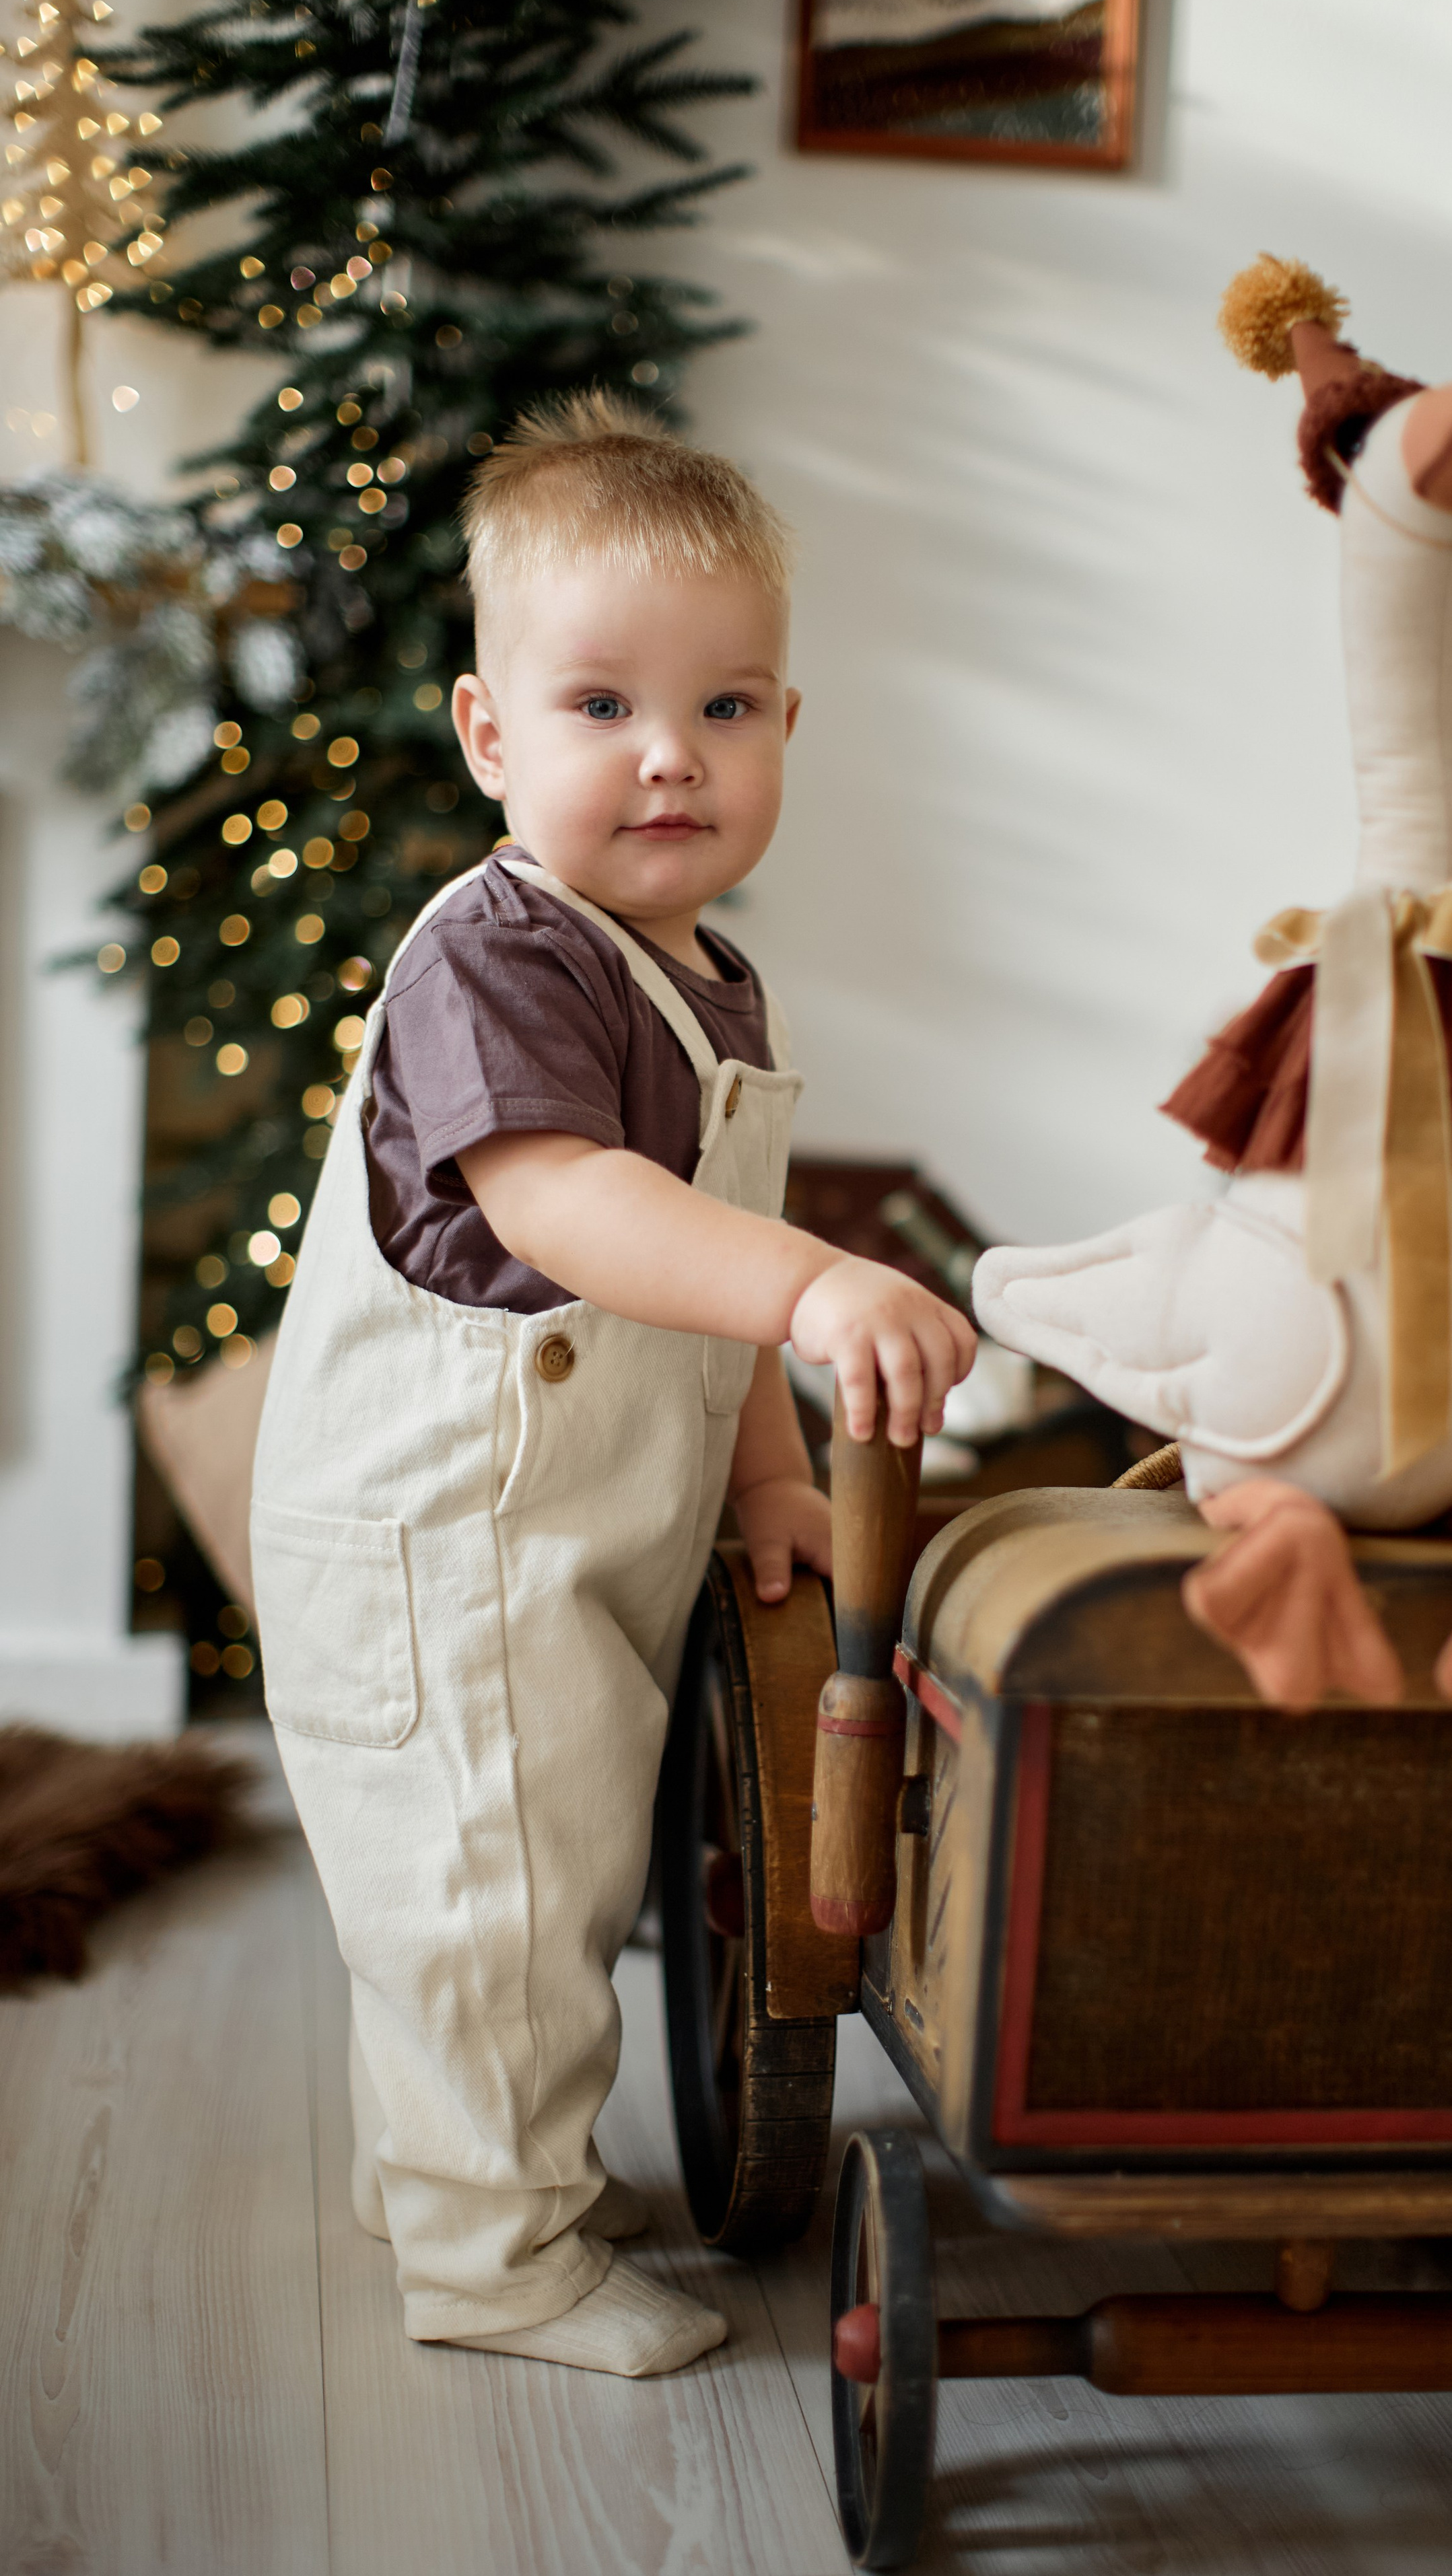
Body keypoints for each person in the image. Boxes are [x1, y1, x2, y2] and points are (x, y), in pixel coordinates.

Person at [249, 395, 975, 2377]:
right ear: (491, 734)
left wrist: (766, 1477)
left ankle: (449, 2176)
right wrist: (823, 1277)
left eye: (727, 706)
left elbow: (694, 1283)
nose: (673, 753)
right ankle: (494, 2255)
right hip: (441, 1536)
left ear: (787, 732)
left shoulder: (706, 974)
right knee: (491, 1887)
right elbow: (576, 1211)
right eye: (602, 705)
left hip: (564, 1534)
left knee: (532, 1875)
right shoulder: (497, 960)